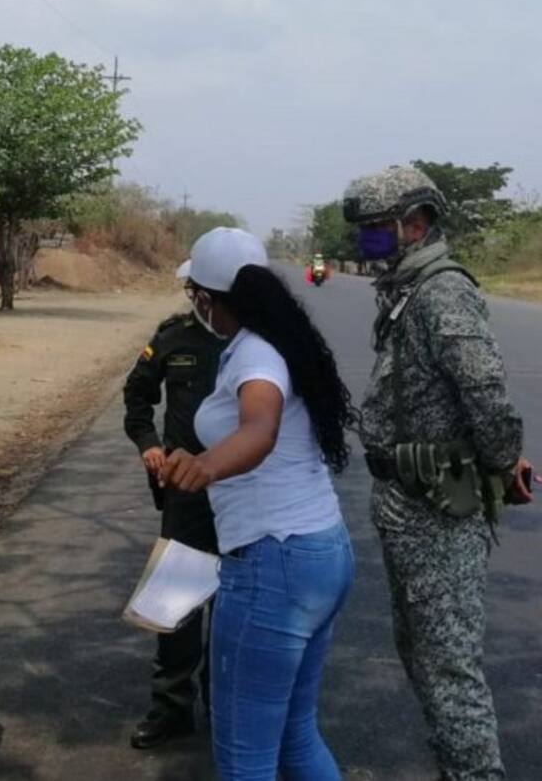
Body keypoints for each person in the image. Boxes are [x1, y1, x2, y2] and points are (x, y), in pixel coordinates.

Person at [341, 166, 533, 781]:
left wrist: (503, 464)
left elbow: (486, 390)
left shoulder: (442, 291)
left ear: (414, 222)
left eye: (375, 228)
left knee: (449, 666)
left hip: (436, 508)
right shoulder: (406, 289)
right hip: (406, 498)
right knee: (423, 655)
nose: (366, 240)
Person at [159, 227, 355, 781]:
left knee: (246, 759)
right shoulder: (274, 342)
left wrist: (206, 465)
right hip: (319, 553)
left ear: (207, 296)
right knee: (295, 734)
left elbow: (261, 427)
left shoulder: (256, 355)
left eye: (194, 293)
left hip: (275, 564)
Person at [122, 310, 224, 748]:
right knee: (178, 601)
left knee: (237, 604)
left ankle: (226, 706)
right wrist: (148, 445)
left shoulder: (259, 335)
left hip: (245, 490)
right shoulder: (173, 337)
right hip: (186, 493)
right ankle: (172, 707)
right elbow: (137, 395)